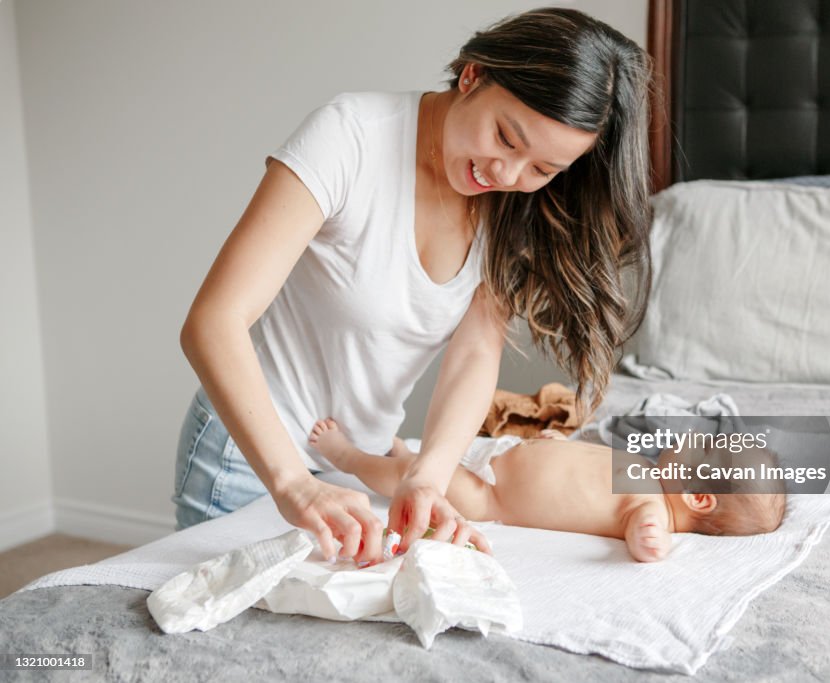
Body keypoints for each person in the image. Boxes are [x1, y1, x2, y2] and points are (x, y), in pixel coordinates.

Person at [173, 7, 654, 566]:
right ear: (473, 75)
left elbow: (475, 351)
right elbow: (213, 322)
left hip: (359, 463)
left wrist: (427, 477)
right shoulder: (350, 136)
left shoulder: (512, 209)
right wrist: (292, 484)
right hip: (250, 454)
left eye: (541, 168)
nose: (505, 174)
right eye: (505, 136)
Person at [308, 419, 787, 562]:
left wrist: (650, 542)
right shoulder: (648, 473)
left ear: (699, 499)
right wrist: (561, 445)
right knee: (438, 453)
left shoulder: (651, 509)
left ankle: (348, 458)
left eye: (701, 448)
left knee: (415, 481)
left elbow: (645, 537)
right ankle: (400, 445)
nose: (688, 438)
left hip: (495, 500)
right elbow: (589, 465)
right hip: (508, 453)